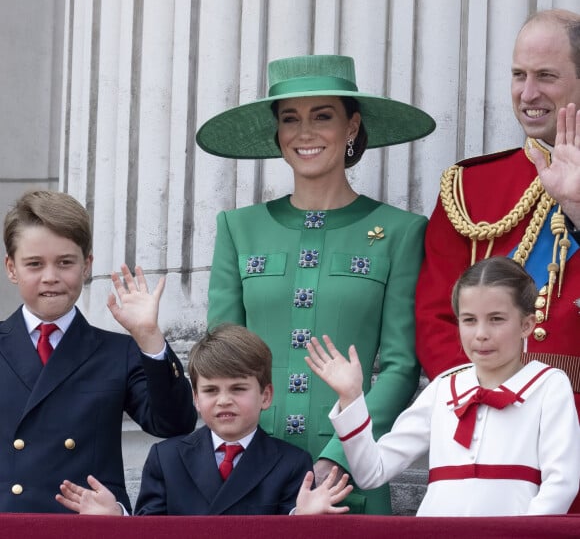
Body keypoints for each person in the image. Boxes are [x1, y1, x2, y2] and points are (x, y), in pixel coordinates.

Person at [195, 54, 436, 514]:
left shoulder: (401, 231)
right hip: (250, 467)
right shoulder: (236, 228)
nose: (304, 133)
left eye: (322, 116)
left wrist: (342, 456)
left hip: (348, 478)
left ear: (352, 126)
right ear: (278, 133)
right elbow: (220, 359)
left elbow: (402, 366)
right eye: (291, 119)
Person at [306, 256, 580, 516]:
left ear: (526, 325)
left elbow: (562, 482)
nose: (481, 334)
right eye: (469, 320)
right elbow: (372, 472)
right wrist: (351, 398)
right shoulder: (444, 387)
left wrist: (524, 534)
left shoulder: (548, 385)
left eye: (496, 319)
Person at [415, 10, 580, 410]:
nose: (527, 94)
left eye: (546, 76)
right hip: (488, 418)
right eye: (519, 75)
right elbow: (435, 318)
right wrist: (486, 400)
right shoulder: (469, 187)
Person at [0, 189, 195, 513]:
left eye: (65, 263)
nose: (51, 277)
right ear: (11, 268)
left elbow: (174, 424)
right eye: (34, 264)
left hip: (86, 527)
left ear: (87, 265)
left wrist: (148, 335)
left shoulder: (118, 351)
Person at [56, 324, 353, 516]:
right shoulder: (166, 458)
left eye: (238, 388)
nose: (224, 400)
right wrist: (118, 518)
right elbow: (149, 531)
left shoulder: (291, 463)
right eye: (211, 390)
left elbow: (293, 520)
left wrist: (304, 519)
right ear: (196, 399)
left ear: (265, 395)